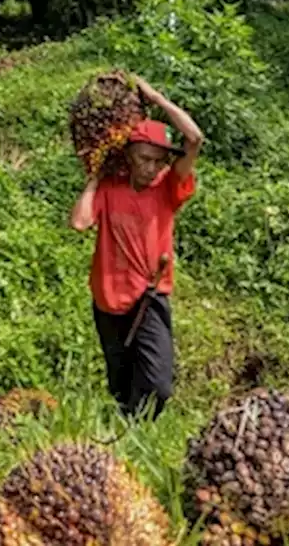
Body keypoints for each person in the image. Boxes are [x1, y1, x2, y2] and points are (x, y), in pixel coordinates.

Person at [69, 75, 204, 421]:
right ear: (128, 156)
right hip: (108, 299)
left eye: (159, 160)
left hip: (149, 296)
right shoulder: (110, 188)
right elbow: (80, 222)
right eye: (145, 159)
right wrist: (96, 176)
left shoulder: (167, 188)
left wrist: (157, 98)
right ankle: (128, 437)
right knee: (119, 382)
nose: (153, 167)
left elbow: (194, 138)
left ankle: (136, 426)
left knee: (158, 385)